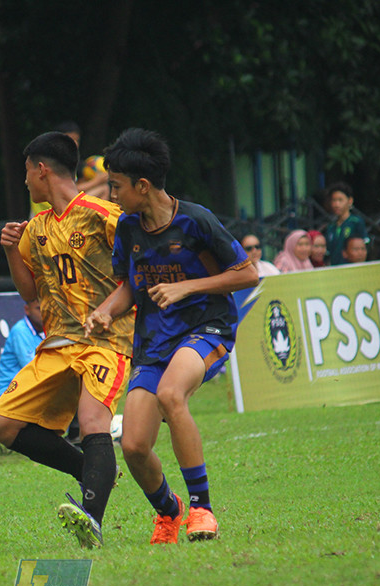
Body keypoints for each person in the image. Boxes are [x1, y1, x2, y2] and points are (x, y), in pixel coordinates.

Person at [86, 128, 259, 545]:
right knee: (133, 446)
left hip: (206, 327)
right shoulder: (128, 228)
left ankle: (202, 509)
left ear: (143, 186)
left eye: (116, 186)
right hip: (154, 340)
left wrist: (186, 287)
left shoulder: (196, 221)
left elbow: (248, 274)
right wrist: (105, 311)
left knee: (170, 394)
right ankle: (170, 511)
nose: (112, 195)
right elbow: (130, 287)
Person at [0, 131, 135, 548]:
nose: (24, 182)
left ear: (41, 170)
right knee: (1, 424)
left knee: (92, 421)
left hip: (107, 341)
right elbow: (29, 292)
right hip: (57, 345)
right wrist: (11, 250)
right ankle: (90, 470)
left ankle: (92, 518)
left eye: (26, 172)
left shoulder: (103, 215)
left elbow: (138, 270)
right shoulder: (35, 228)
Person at [0, 298, 44, 403]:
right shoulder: (20, 331)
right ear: (27, 310)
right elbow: (33, 370)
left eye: (46, 308)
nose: (43, 313)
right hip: (8, 394)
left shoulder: (46, 331)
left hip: (30, 392)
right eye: (38, 309)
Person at [323, 182, 368, 266]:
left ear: (350, 201)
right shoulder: (330, 226)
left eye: (340, 200)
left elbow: (364, 245)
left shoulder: (356, 222)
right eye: (334, 200)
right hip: (335, 269)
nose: (336, 204)